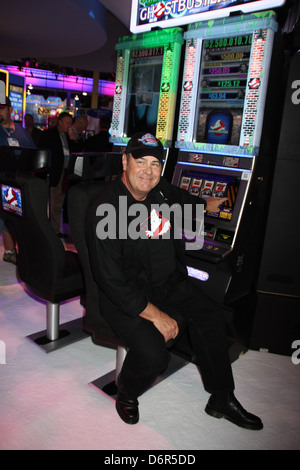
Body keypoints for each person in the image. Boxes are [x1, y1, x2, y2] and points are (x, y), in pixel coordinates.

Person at [86, 132, 263, 430]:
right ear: (125, 161)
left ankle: (221, 397)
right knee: (155, 355)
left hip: (169, 284)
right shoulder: (105, 210)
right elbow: (111, 280)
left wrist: (228, 197)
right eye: (140, 161)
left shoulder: (163, 192)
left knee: (212, 317)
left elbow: (195, 203)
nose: (148, 170)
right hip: (127, 296)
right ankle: (126, 392)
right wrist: (157, 316)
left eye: (155, 164)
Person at [0, 97, 35, 265]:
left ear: (9, 109)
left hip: (22, 180)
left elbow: (33, 154)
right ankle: (9, 250)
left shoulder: (21, 132)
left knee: (17, 218)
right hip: (4, 180)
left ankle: (16, 250)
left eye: (1, 108)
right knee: (7, 217)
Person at [40, 111, 81, 237]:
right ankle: (48, 230)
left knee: (59, 203)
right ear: (60, 122)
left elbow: (77, 152)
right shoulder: (49, 134)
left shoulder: (69, 136)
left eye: (70, 123)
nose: (69, 125)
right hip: (54, 172)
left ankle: (55, 230)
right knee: (51, 203)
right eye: (67, 122)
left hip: (65, 172)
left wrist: (75, 140)